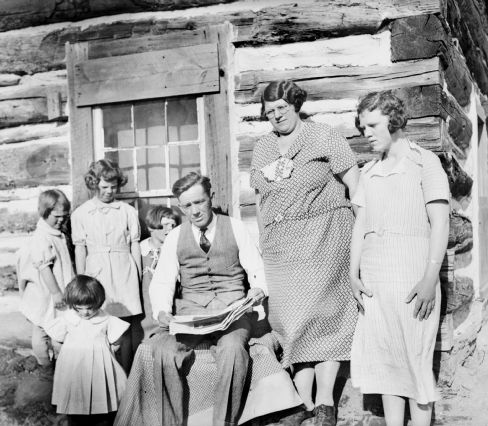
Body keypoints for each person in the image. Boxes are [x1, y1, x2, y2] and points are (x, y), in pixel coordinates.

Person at [249, 80, 360, 425]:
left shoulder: (323, 135)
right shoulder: (263, 146)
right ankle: (301, 402)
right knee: (291, 323)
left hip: (325, 236)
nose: (276, 115)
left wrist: (365, 230)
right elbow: (258, 198)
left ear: (295, 104)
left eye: (281, 107)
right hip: (281, 246)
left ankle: (324, 402)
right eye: (269, 112)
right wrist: (262, 236)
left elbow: (354, 183)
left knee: (324, 318)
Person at [349, 91, 449, 426]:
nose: (367, 133)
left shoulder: (425, 162)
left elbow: (440, 224)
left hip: (413, 279)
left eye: (373, 125)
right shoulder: (369, 172)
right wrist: (353, 274)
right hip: (376, 281)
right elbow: (360, 225)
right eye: (363, 128)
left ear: (393, 120)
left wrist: (429, 279)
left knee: (415, 363)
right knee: (388, 365)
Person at [143, 172, 268, 426]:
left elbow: (256, 268)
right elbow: (163, 281)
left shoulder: (234, 227)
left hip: (232, 311)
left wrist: (258, 289)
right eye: (187, 205)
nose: (195, 211)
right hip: (191, 314)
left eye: (199, 202)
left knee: (233, 350)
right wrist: (162, 312)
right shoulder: (176, 236)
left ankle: (224, 423)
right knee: (165, 350)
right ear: (180, 207)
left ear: (210, 197)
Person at [70, 159, 142, 372]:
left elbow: (134, 245)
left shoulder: (126, 211)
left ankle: (128, 375)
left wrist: (136, 276)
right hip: (97, 271)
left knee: (124, 325)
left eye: (113, 187)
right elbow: (80, 249)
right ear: (94, 184)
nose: (109, 191)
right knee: (101, 321)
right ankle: (105, 373)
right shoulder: (82, 214)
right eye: (104, 187)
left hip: (123, 268)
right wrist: (82, 280)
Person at [45, 275, 129, 426]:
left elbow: (116, 341)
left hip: (99, 368)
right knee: (75, 405)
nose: (85, 313)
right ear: (73, 305)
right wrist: (63, 354)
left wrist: (106, 353)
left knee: (102, 405)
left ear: (98, 303)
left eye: (90, 308)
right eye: (79, 309)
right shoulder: (68, 318)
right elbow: (55, 339)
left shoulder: (106, 319)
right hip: (74, 368)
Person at [16, 189, 75, 367]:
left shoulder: (58, 234)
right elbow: (44, 268)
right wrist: (56, 293)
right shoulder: (41, 237)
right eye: (56, 216)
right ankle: (44, 364)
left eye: (64, 216)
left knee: (56, 325)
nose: (61, 220)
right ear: (45, 212)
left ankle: (60, 362)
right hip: (47, 291)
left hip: (56, 289)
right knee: (42, 326)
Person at [139, 205, 178, 341]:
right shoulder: (140, 251)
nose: (170, 229)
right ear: (151, 228)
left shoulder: (174, 250)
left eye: (173, 225)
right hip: (144, 309)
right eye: (165, 225)